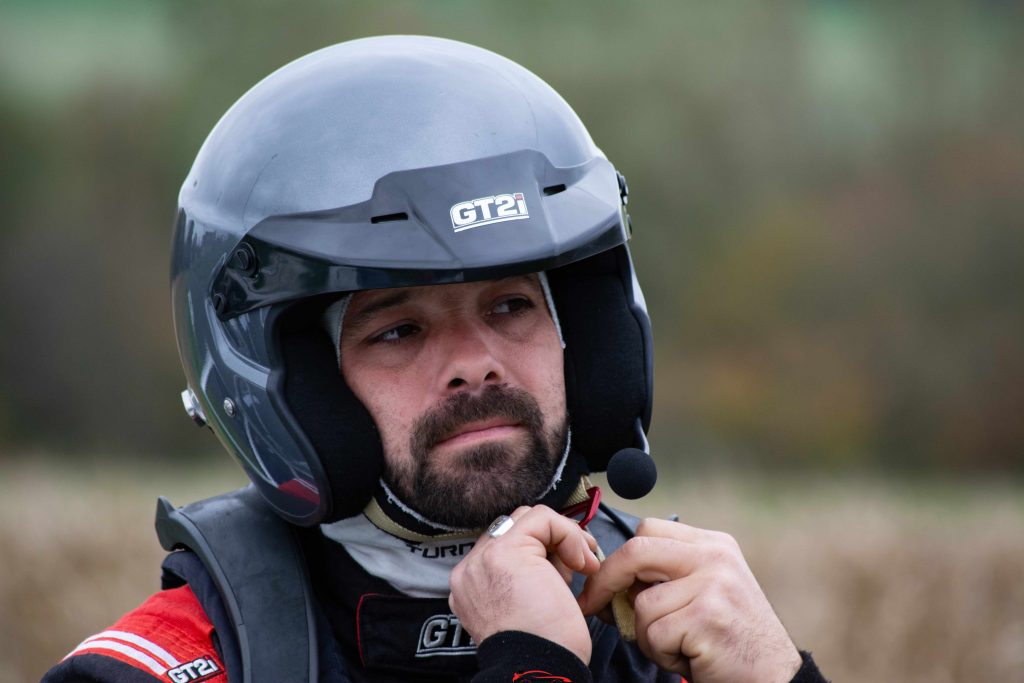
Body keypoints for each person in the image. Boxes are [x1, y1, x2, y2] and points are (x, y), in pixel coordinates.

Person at [43, 36, 828, 683]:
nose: (475, 364)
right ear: (291, 387)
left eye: (510, 306)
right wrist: (533, 668)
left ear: (584, 338)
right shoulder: (152, 672)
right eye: (398, 330)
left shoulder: (689, 641)